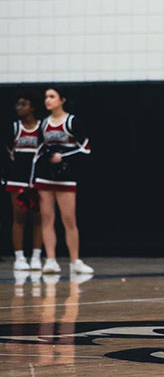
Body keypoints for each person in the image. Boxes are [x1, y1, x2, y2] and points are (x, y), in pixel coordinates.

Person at [34, 87, 93, 275]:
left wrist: (63, 156)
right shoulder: (43, 123)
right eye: (46, 97)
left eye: (52, 97)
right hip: (45, 176)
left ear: (62, 100)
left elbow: (86, 149)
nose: (48, 100)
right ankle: (50, 260)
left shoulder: (71, 121)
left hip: (66, 177)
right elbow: (38, 151)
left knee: (69, 220)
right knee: (47, 218)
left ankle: (75, 261)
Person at [7, 94, 43, 271]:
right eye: (17, 104)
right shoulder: (14, 128)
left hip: (37, 179)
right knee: (19, 218)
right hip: (17, 178)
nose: (18, 107)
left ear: (33, 107)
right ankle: (19, 257)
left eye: (23, 104)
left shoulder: (42, 127)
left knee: (38, 219)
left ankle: (36, 256)